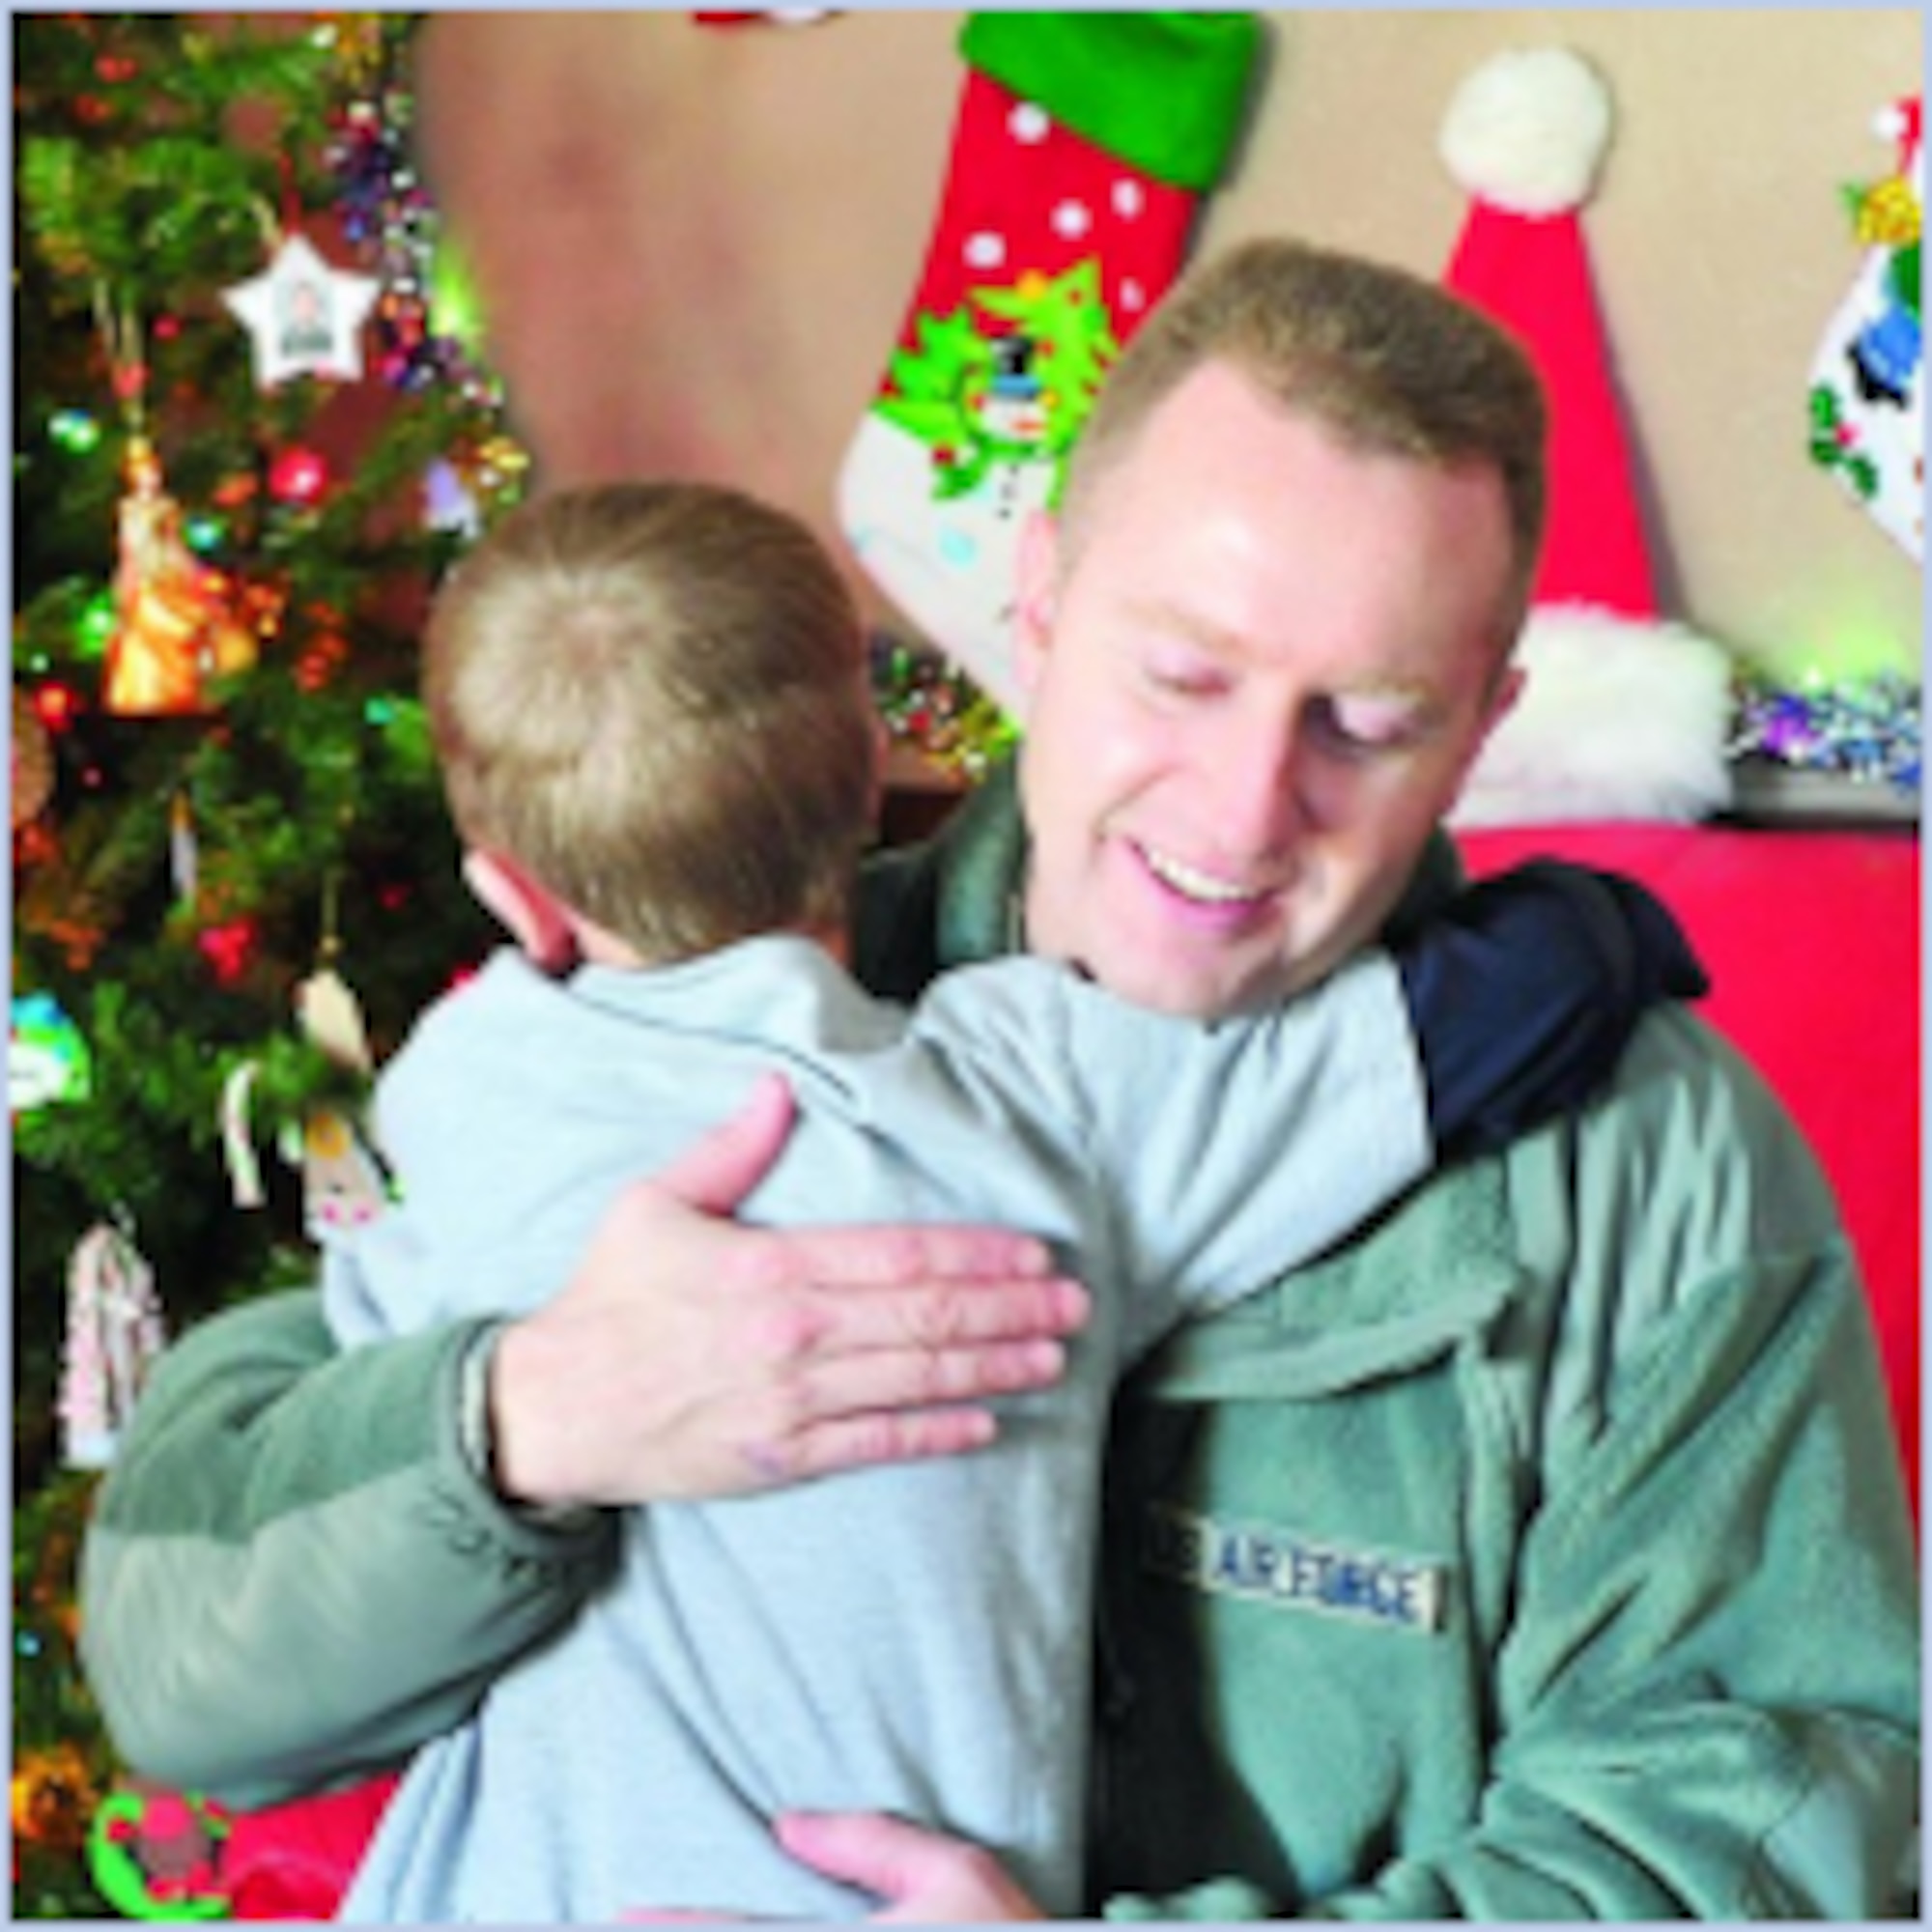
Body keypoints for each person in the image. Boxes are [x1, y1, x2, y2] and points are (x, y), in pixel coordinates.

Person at [80, 240, 1919, 1919]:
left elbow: (1784, 1824)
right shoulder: (707, 1016)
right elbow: (180, 1661)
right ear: (1036, 601)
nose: (1242, 810)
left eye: (1367, 723)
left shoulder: (1648, 1162)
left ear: (1486, 727)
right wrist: (523, 1425)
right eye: (1183, 676)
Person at [326, 477, 1678, 1922]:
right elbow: (1497, 1012)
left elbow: (332, 1448)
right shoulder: (1019, 1095)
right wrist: (1603, 923)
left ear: (510, 894)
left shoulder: (453, 1108)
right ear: (869, 793)